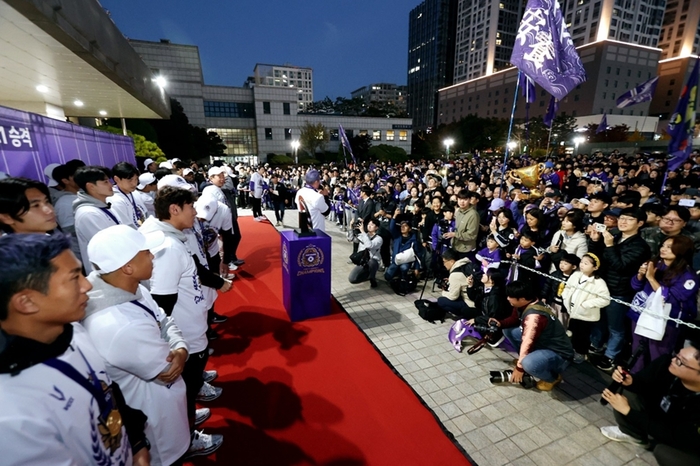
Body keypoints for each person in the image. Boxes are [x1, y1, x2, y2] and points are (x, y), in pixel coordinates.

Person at [0, 233, 149, 465]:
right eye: (73, 278)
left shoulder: (72, 330)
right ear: (26, 302)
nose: (87, 285)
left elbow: (106, 387)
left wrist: (136, 441)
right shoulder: (10, 413)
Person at [83, 225, 213, 462]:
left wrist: (180, 347)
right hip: (155, 424)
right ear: (128, 267)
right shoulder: (118, 325)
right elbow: (167, 370)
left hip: (162, 405)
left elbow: (164, 319)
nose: (153, 256)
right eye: (146, 252)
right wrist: (180, 351)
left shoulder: (128, 287)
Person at [139, 186, 224, 453]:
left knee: (187, 387)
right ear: (174, 209)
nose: (196, 212)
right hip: (184, 332)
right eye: (191, 207)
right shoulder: (167, 246)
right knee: (184, 390)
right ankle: (187, 438)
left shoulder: (167, 235)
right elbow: (162, 305)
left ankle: (185, 422)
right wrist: (174, 343)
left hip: (187, 325)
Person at [599, 336, 700, 466]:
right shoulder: (666, 363)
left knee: (664, 452)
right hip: (658, 418)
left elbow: (676, 437)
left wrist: (629, 412)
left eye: (681, 362)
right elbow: (645, 383)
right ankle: (634, 435)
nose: (674, 360)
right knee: (625, 387)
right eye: (677, 355)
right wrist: (631, 382)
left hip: (679, 440)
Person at [589, 207, 652, 372]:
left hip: (620, 291)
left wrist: (609, 246)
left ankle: (610, 356)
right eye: (622, 218)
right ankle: (596, 345)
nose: (623, 221)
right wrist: (595, 241)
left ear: (640, 223)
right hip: (603, 286)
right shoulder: (615, 237)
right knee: (599, 319)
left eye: (629, 219)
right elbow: (597, 260)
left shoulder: (640, 246)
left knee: (616, 327)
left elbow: (621, 267)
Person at [629, 236, 698, 372]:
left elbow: (672, 297)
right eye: (663, 245)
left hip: (666, 320)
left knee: (658, 354)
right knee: (637, 350)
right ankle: (634, 380)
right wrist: (640, 275)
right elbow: (635, 286)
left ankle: (655, 386)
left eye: (669, 247)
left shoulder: (689, 276)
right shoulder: (654, 264)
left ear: (681, 250)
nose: (663, 249)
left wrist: (651, 278)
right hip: (641, 313)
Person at [495, 280, 574, 391]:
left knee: (528, 363)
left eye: (510, 296)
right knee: (509, 331)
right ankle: (527, 360)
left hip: (559, 353)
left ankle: (552, 378)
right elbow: (513, 319)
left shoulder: (534, 317)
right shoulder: (530, 302)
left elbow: (527, 342)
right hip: (543, 342)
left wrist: (520, 368)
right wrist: (500, 323)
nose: (508, 298)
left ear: (522, 299)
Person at [561, 253, 611, 364]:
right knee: (572, 332)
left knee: (582, 336)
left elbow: (605, 300)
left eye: (586, 263)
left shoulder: (599, 282)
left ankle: (580, 354)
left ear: (595, 267)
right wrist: (565, 296)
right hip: (573, 311)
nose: (582, 265)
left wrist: (586, 305)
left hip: (585, 315)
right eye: (581, 262)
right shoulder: (576, 275)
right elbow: (567, 287)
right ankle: (572, 351)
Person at [73, 166, 122, 274]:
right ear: (91, 186)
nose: (111, 185)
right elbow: (107, 248)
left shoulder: (103, 206)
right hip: (107, 275)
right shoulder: (88, 214)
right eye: (105, 182)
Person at [435, 248, 477, 318]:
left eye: (444, 262)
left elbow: (453, 296)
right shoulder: (465, 264)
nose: (444, 264)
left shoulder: (455, 275)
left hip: (470, 303)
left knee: (441, 301)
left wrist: (443, 292)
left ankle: (463, 315)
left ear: (451, 261)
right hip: (476, 298)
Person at [108, 162, 148, 228]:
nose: (134, 183)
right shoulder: (115, 200)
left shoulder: (135, 193)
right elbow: (126, 226)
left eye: (136, 179)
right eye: (130, 180)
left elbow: (145, 213)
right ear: (117, 179)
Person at [348, 217, 383, 288]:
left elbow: (369, 245)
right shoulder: (363, 235)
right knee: (352, 279)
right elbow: (350, 239)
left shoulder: (379, 239)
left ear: (376, 227)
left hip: (373, 261)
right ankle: (367, 276)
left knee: (372, 262)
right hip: (362, 261)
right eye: (368, 224)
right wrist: (351, 227)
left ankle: (372, 278)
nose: (369, 226)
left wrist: (363, 232)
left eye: (372, 225)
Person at [446, 191, 479, 258]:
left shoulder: (473, 215)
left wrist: (455, 234)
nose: (462, 202)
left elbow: (472, 235)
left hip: (466, 250)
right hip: (456, 246)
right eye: (460, 199)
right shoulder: (458, 212)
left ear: (469, 200)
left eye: (465, 199)